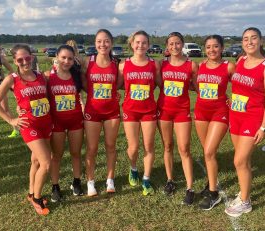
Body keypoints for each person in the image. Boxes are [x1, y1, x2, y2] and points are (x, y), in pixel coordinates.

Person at [0, 44, 52, 215]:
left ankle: (31, 192)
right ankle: (37, 199)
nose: (25, 62)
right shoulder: (12, 78)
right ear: (15, 60)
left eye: (27, 58)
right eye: (20, 59)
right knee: (46, 162)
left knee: (36, 162)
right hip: (29, 125)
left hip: (45, 123)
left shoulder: (40, 76)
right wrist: (11, 119)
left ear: (32, 57)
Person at [225, 27, 265, 217]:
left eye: (253, 38)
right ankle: (244, 191)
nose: (249, 42)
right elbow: (238, 87)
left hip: (253, 118)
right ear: (242, 43)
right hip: (236, 116)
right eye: (246, 39)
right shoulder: (240, 61)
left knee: (238, 160)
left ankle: (245, 202)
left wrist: (264, 127)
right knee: (244, 161)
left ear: (261, 41)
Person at [194, 35, 235, 210]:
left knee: (209, 151)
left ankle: (213, 194)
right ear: (205, 49)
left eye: (215, 46)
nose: (212, 50)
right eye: (209, 47)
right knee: (207, 152)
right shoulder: (201, 66)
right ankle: (211, 182)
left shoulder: (229, 66)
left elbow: (242, 85)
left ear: (222, 48)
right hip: (201, 112)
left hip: (220, 112)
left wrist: (234, 99)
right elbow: (196, 86)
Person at [118, 30, 160, 196]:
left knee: (148, 146)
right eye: (137, 42)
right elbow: (120, 85)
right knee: (133, 147)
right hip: (130, 110)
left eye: (144, 43)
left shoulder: (153, 64)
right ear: (132, 44)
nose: (140, 45)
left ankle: (146, 178)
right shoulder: (124, 64)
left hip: (149, 110)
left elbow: (158, 84)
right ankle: (134, 168)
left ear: (148, 45)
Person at [157, 32, 197, 204]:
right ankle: (170, 180)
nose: (174, 47)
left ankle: (190, 188)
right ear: (167, 46)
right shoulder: (161, 65)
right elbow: (158, 84)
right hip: (164, 110)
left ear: (182, 45)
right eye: (171, 44)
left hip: (182, 111)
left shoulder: (191, 65)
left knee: (184, 148)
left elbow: (198, 87)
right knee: (167, 146)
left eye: (178, 43)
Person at [45, 45, 84, 202]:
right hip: (56, 122)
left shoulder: (76, 76)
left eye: (70, 58)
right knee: (57, 155)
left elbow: (92, 88)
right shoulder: (48, 76)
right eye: (63, 58)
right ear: (57, 57)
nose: (67, 61)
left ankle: (76, 182)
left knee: (75, 153)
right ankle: (55, 186)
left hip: (75, 120)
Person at [84, 29, 120, 196]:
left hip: (112, 111)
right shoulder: (87, 62)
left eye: (106, 41)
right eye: (99, 41)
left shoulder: (116, 63)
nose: (102, 44)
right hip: (93, 111)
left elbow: (118, 85)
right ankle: (90, 181)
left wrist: (115, 94)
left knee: (111, 146)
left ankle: (110, 179)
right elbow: (83, 83)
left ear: (111, 43)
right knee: (92, 148)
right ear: (95, 43)